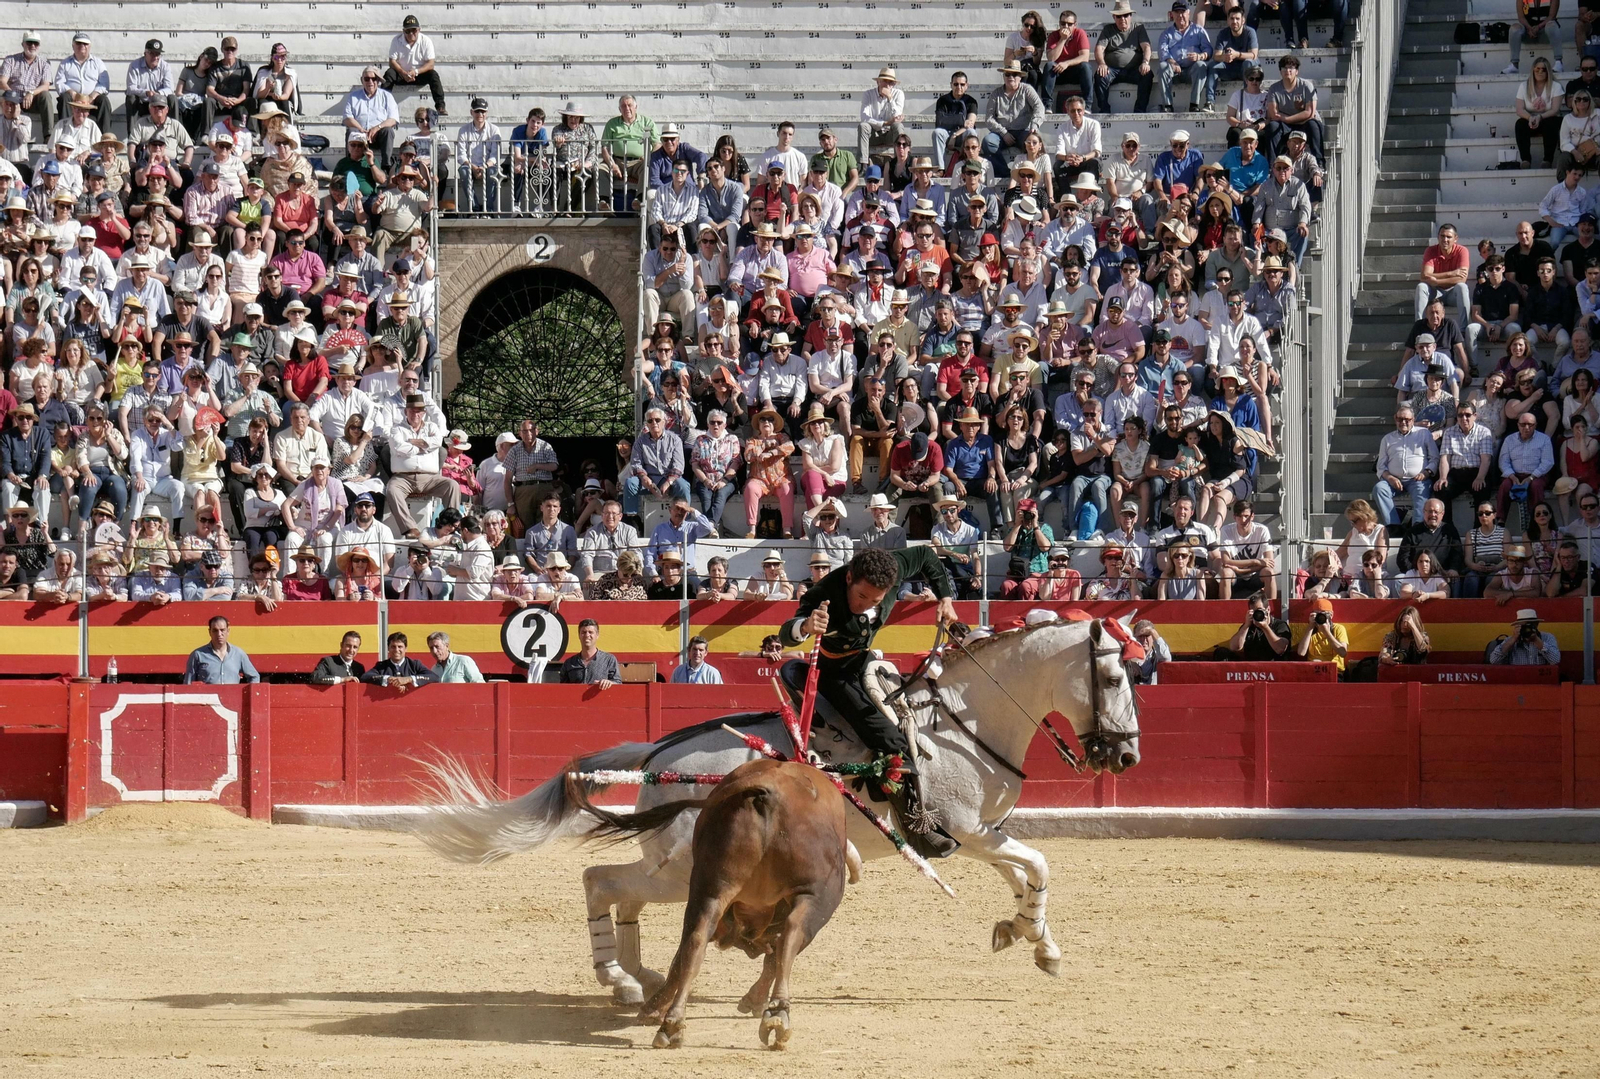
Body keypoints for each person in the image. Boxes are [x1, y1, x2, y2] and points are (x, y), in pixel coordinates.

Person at [781, 546, 959, 858]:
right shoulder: (826, 594)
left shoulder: (891, 567)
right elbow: (787, 633)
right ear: (849, 577)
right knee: (893, 741)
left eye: (875, 600)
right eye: (860, 596)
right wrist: (807, 627)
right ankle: (916, 826)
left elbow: (928, 558)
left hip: (866, 659)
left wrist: (945, 597)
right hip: (834, 672)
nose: (865, 605)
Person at [182, 615, 260, 684]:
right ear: (209, 632)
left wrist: (248, 694)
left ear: (228, 631)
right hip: (208, 700)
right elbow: (188, 684)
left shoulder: (238, 654)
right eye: (215, 630)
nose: (219, 634)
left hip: (232, 699)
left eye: (222, 630)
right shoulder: (198, 655)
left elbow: (254, 677)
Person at [1215, 592, 1291, 661]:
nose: (1257, 614)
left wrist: (1265, 627)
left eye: (1259, 610)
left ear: (1268, 609)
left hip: (1273, 669)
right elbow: (1234, 647)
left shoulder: (1279, 625)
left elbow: (1280, 649)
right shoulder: (1249, 625)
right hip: (1251, 669)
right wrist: (1246, 626)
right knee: (1220, 653)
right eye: (1253, 611)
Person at [1293, 596, 1349, 675]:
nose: (1320, 617)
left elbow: (1343, 653)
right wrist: (1310, 626)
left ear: (1331, 615)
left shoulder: (1338, 629)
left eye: (1323, 614)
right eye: (1317, 614)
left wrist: (1327, 632)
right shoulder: (1310, 629)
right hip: (1314, 672)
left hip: (1335, 672)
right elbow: (1301, 652)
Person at [560, 617, 621, 687]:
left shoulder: (608, 660)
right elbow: (563, 689)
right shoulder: (569, 663)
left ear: (597, 635)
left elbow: (618, 684)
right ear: (579, 635)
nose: (587, 635)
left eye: (590, 632)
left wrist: (609, 683)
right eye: (583, 632)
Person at [1489, 608, 1562, 665]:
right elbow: (1493, 660)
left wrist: (1536, 640)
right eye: (1524, 626)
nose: (1527, 629)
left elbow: (1555, 660)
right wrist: (1513, 639)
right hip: (1517, 679)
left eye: (1530, 626)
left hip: (1540, 680)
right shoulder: (1510, 640)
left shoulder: (1547, 637)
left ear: (1536, 624)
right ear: (1517, 626)